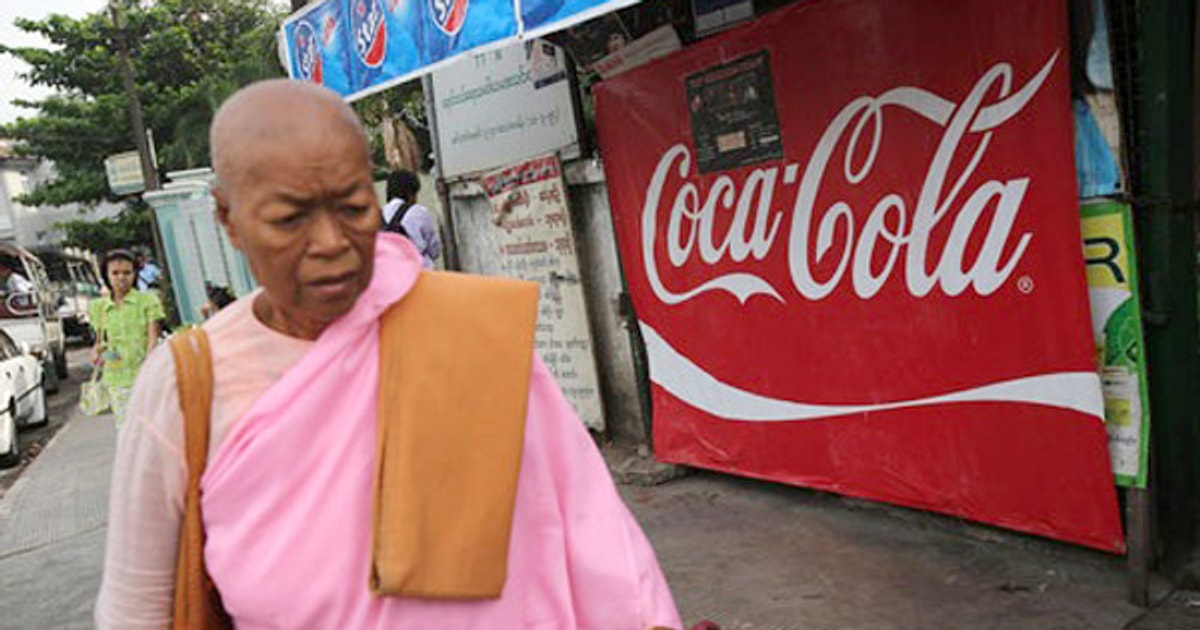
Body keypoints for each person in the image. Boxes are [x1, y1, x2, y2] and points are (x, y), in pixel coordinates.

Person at [95, 79, 680, 629]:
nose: (330, 244)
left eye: (352, 208)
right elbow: (136, 609)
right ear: (228, 218)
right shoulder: (186, 385)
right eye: (289, 218)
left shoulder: (465, 332)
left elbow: (595, 538)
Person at [89, 249, 165, 428]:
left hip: (146, 376)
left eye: (127, 272)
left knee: (153, 428)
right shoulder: (98, 307)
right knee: (127, 431)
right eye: (115, 273)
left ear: (135, 274)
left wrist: (149, 370)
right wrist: (98, 353)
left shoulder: (147, 301)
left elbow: (153, 338)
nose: (121, 278)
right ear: (106, 276)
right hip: (116, 378)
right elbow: (100, 342)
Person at [381, 169, 442, 269]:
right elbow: (434, 250)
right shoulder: (419, 212)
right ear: (410, 192)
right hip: (422, 273)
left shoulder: (379, 215)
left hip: (393, 276)